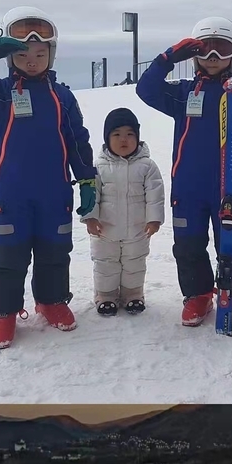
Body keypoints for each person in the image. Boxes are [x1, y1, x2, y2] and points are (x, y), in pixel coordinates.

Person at [0, 6, 97, 349]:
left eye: (40, 53)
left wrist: (88, 180)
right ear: (9, 56)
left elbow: (78, 141)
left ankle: (51, 300)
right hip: (11, 193)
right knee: (9, 254)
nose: (32, 60)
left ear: (51, 54)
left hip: (55, 193)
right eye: (23, 53)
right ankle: (4, 312)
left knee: (55, 251)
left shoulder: (62, 96)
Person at [136, 17, 232, 328]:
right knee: (188, 245)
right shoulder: (183, 93)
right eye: (205, 50)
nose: (212, 58)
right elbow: (146, 90)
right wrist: (168, 58)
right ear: (193, 55)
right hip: (188, 187)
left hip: (228, 186)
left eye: (222, 50)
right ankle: (197, 294)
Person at [80, 108, 164, 315]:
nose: (123, 139)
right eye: (116, 134)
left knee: (134, 263)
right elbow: (91, 194)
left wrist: (154, 220)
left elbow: (155, 193)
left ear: (138, 137)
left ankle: (133, 295)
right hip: (105, 230)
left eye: (130, 134)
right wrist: (90, 217)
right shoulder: (98, 166)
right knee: (105, 264)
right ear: (107, 138)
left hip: (137, 230)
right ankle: (105, 296)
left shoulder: (147, 166)